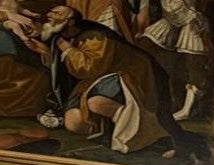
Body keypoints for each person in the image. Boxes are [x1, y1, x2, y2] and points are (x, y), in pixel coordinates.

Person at [24, 5, 184, 156]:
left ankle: (150, 133)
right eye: (51, 13)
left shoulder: (95, 36)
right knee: (73, 122)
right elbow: (64, 68)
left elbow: (87, 68)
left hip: (131, 73)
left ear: (71, 22)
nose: (50, 15)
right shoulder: (61, 37)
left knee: (96, 103)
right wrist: (46, 52)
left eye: (57, 14)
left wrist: (66, 47)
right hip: (97, 78)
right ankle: (113, 128)